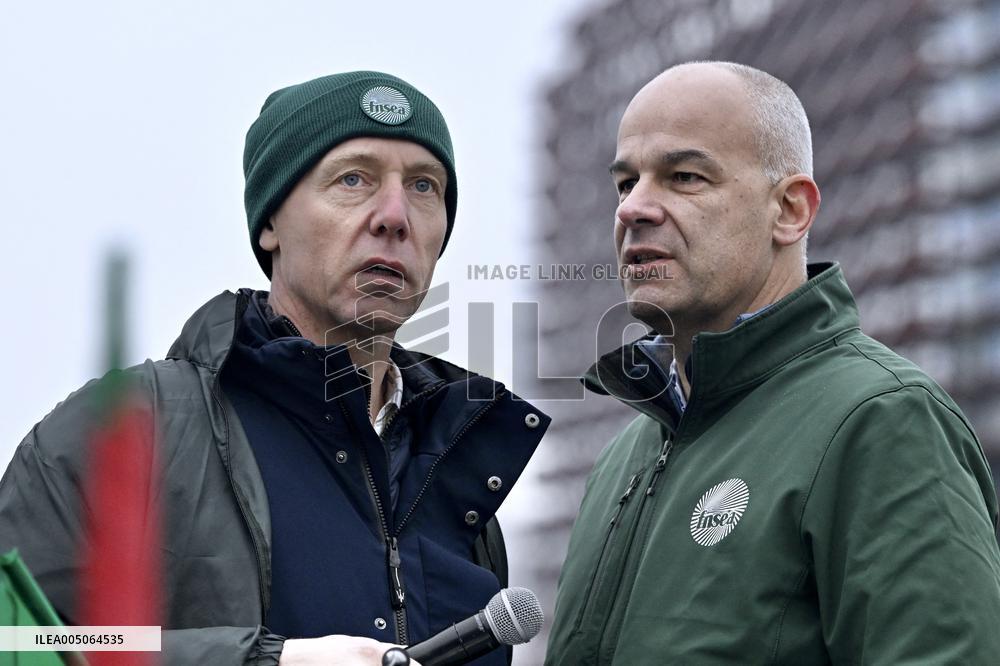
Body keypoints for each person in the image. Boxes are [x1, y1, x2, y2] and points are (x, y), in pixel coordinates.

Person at [0, 71, 549, 665]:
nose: (395, 216)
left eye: (424, 186)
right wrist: (269, 661)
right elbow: (23, 640)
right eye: (353, 179)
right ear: (270, 224)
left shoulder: (459, 468)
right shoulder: (127, 428)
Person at [545, 61, 1000, 664]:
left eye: (683, 176)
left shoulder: (883, 422)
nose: (634, 209)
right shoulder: (622, 458)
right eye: (626, 183)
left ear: (790, 210)